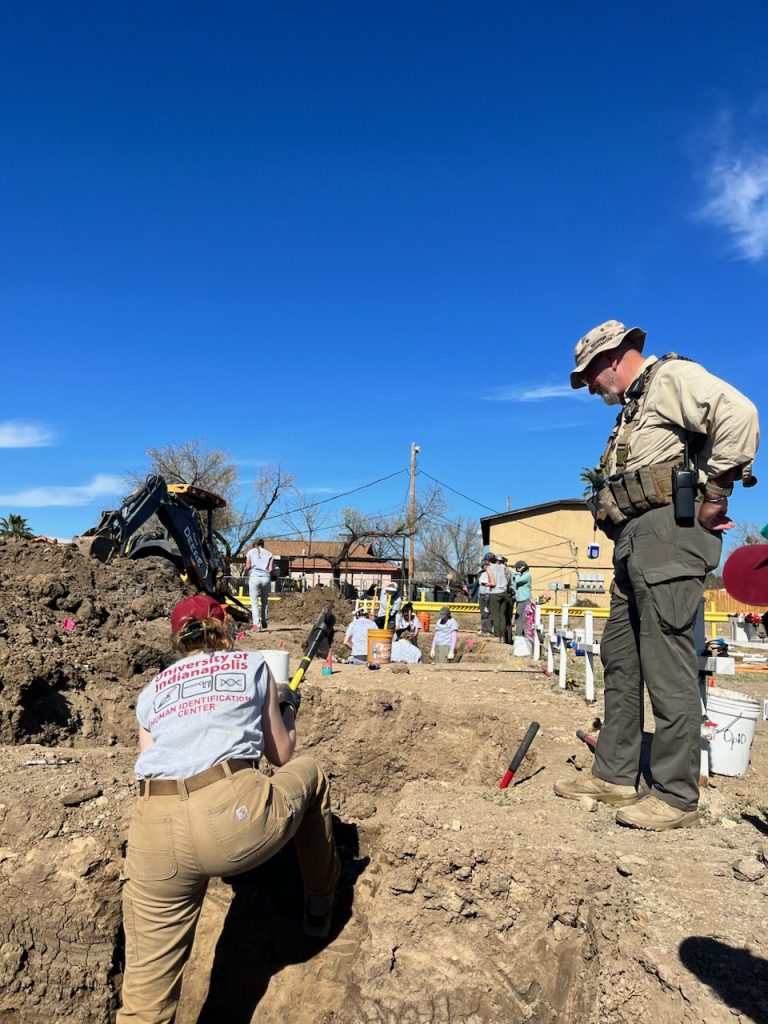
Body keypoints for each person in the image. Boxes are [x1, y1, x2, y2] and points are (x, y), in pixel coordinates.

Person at [554, 319, 759, 831]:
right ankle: (616, 776)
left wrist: (715, 495)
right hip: (634, 540)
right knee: (621, 660)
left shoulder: (670, 378)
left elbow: (741, 414)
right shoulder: (632, 408)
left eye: (590, 375)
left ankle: (674, 795)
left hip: (669, 534)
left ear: (614, 357)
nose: (591, 386)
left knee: (668, 666)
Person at [117, 594, 340, 1023]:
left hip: (152, 828)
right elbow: (281, 756)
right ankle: (318, 903)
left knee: (143, 1007)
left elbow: (152, 762)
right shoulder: (252, 665)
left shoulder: (151, 691)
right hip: (231, 818)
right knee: (311, 773)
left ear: (177, 638)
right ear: (227, 628)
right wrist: (285, 710)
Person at [245, 537, 274, 631]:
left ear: (254, 544)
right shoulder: (269, 554)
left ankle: (256, 625)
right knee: (264, 601)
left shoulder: (250, 552)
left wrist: (247, 572)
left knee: (254, 602)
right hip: (266, 578)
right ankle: (264, 622)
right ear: (263, 544)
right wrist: (273, 576)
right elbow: (270, 569)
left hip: (254, 577)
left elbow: (248, 566)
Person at [512, 560, 532, 636]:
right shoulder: (520, 575)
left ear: (522, 568)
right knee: (519, 617)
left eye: (517, 568)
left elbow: (517, 581)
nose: (516, 569)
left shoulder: (527, 575)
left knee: (522, 618)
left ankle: (521, 634)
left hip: (525, 599)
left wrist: (518, 573)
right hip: (520, 599)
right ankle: (520, 634)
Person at [477, 556, 494, 635]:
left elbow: (491, 583)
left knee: (488, 613)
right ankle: (484, 629)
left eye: (485, 565)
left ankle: (489, 630)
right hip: (482, 595)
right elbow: (480, 583)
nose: (485, 567)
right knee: (483, 613)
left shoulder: (491, 573)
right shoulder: (482, 574)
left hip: (488, 594)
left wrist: (486, 583)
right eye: (483, 566)